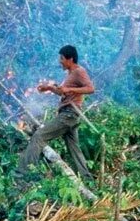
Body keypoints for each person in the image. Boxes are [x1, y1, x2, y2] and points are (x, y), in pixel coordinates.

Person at [20, 45, 95, 178]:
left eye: (61, 58)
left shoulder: (79, 71)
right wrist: (49, 88)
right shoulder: (70, 74)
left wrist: (71, 90)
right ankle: (87, 178)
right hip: (69, 114)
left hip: (69, 114)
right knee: (74, 148)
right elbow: (63, 92)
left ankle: (24, 174)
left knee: (39, 136)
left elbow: (90, 88)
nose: (60, 61)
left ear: (70, 59)